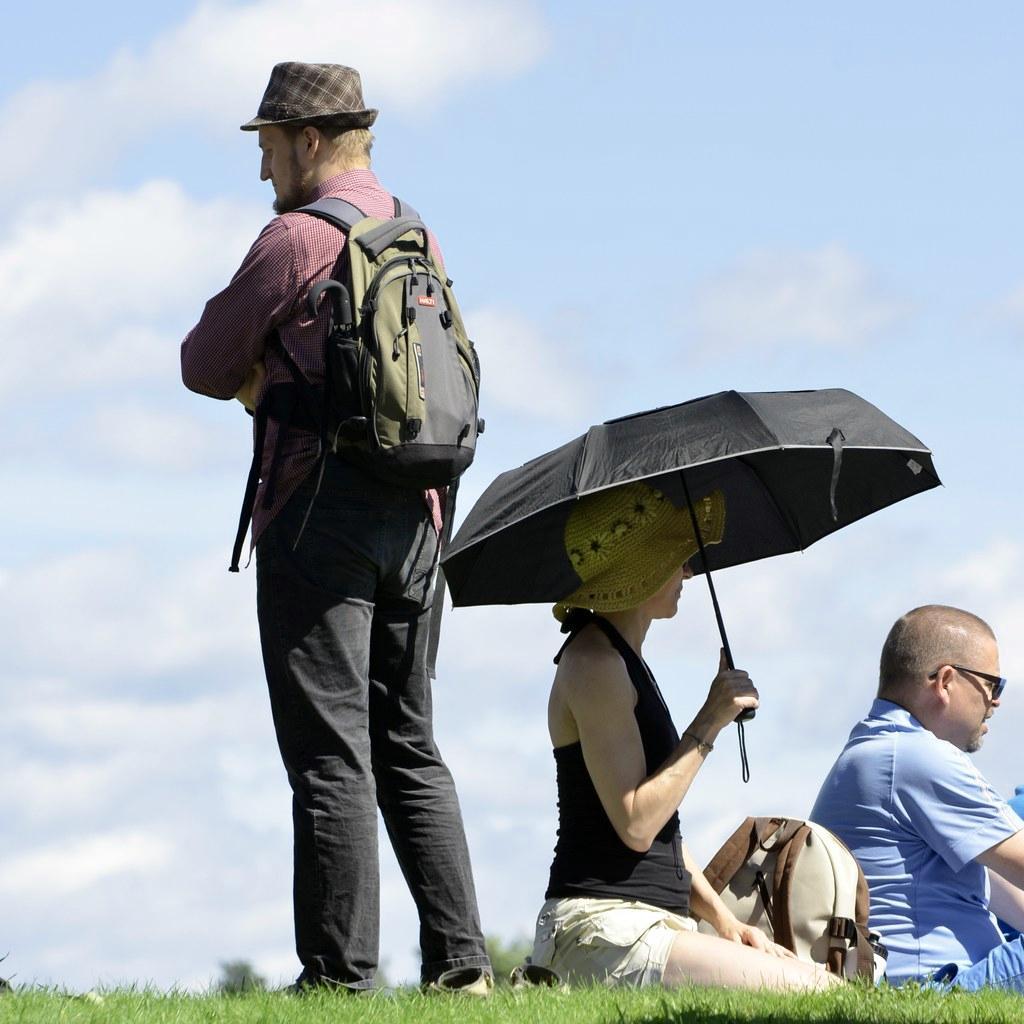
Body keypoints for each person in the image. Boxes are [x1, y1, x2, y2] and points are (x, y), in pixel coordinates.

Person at [180, 62, 490, 993]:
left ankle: (341, 977)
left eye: (269, 147)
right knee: (410, 743)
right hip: (424, 517)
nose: (263, 169)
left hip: (321, 509)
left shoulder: (296, 238)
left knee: (328, 753)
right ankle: (463, 968)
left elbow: (201, 359)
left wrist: (261, 383)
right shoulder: (417, 234)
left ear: (310, 142)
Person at [526, 482, 837, 990]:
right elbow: (636, 822)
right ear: (639, 568)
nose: (688, 570)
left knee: (813, 981)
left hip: (641, 923)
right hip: (602, 929)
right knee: (813, 992)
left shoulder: (624, 663)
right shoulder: (594, 663)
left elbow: (663, 833)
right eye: (675, 557)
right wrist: (710, 720)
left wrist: (723, 919)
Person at [811, 605, 1024, 991]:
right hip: (933, 984)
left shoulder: (877, 748)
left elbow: (1005, 892)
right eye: (993, 685)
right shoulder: (914, 756)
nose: (996, 702)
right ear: (945, 681)